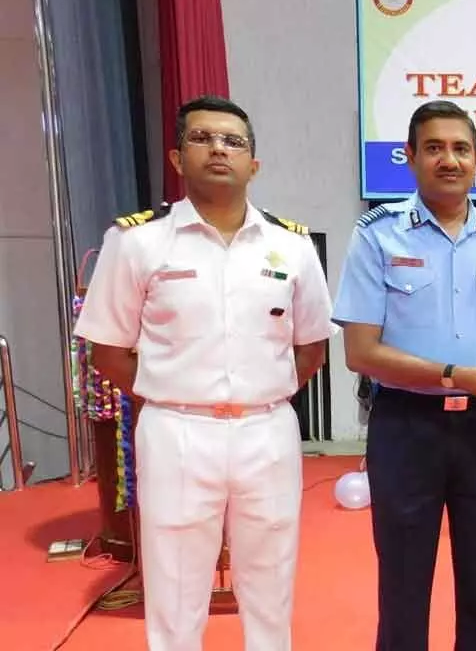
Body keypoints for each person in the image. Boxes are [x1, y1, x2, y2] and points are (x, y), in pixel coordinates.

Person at [73, 95, 333, 650]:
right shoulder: (138, 240)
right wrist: (172, 397)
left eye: (234, 141)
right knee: (174, 580)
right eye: (203, 138)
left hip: (267, 431)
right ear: (176, 157)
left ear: (254, 164)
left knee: (270, 574)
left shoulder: (291, 245)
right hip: (177, 431)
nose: (219, 149)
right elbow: (108, 351)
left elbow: (310, 348)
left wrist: (261, 395)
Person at [332, 100, 476, 651]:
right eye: (433, 148)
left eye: (460, 149)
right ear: (408, 157)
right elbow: (361, 353)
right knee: (404, 582)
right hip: (407, 427)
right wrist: (457, 375)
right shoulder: (379, 235)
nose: (448, 160)